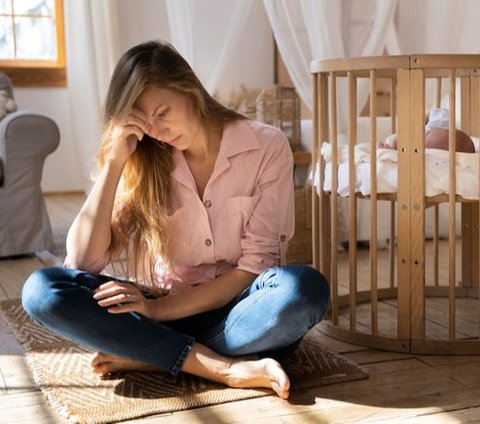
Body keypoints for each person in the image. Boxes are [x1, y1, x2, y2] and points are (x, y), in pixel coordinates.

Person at [21, 40, 329, 399]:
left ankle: (151, 353)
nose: (157, 130)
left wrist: (154, 311)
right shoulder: (145, 159)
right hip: (170, 306)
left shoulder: (266, 147)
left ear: (189, 88)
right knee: (42, 291)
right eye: (144, 121)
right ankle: (219, 366)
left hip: (241, 313)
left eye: (163, 112)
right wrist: (115, 163)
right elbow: (84, 261)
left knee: (305, 290)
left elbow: (255, 268)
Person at [379, 107, 475, 153]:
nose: (423, 141)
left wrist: (390, 150)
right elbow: (437, 112)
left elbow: (403, 152)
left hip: (404, 140)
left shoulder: (418, 149)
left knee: (394, 142)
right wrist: (418, 122)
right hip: (416, 126)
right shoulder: (443, 122)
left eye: (425, 146)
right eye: (428, 136)